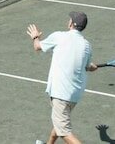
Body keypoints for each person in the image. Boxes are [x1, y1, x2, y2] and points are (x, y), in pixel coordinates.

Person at [28, 12, 99, 144]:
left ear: (71, 24)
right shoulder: (87, 45)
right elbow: (87, 66)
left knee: (64, 131)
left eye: (70, 19)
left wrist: (35, 37)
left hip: (61, 94)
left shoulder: (59, 36)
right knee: (59, 123)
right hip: (74, 96)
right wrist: (91, 67)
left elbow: (37, 47)